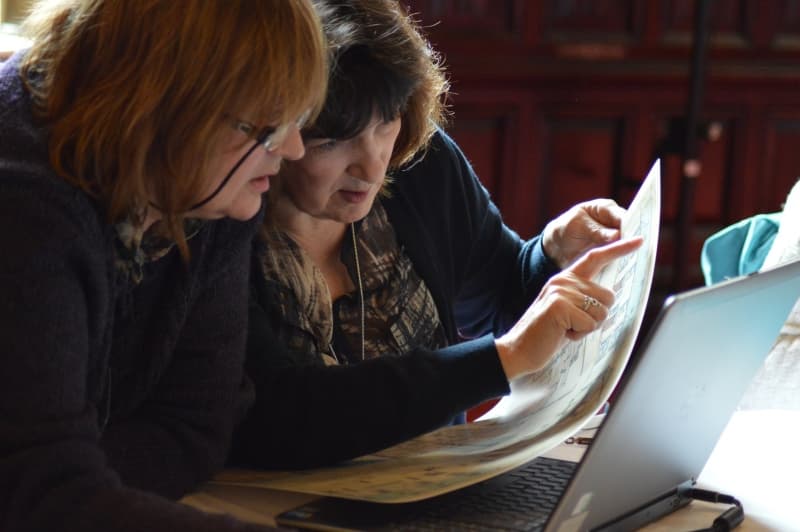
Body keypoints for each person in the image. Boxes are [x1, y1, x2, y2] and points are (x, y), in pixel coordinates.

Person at [230, 0, 641, 470]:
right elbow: (279, 415)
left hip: (436, 487)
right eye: (332, 141)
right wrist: (502, 359)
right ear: (277, 128)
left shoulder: (420, 167)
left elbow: (501, 299)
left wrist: (550, 254)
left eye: (386, 123)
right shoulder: (223, 219)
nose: (371, 165)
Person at [0, 1, 327, 530]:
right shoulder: (22, 203)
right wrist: (79, 483)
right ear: (167, 109)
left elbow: (195, 425)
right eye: (268, 126)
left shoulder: (202, 186)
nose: (291, 148)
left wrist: (89, 480)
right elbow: (39, 491)